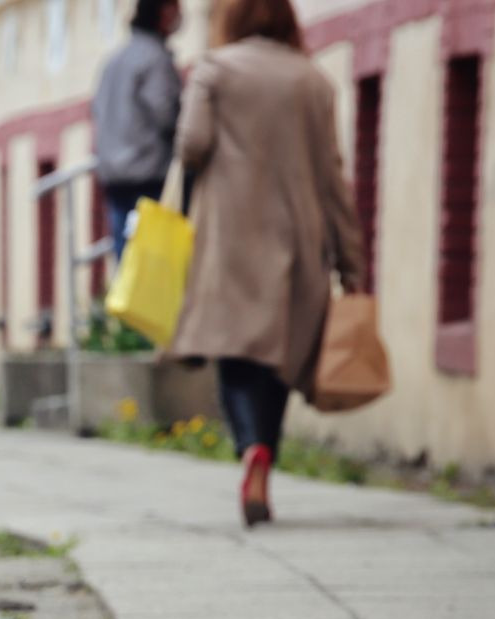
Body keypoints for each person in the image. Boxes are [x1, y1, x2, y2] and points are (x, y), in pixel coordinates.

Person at [170, 0, 364, 527]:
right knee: (279, 357)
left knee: (234, 352)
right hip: (298, 240)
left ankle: (250, 447)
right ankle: (265, 456)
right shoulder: (314, 82)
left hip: (229, 238)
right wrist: (351, 262)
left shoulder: (215, 69)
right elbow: (332, 176)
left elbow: (192, 145)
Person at [94, 0, 184, 264]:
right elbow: (167, 116)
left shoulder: (114, 60)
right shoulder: (154, 59)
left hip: (114, 176)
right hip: (147, 177)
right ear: (164, 12)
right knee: (154, 267)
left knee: (127, 263)